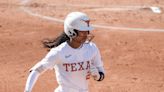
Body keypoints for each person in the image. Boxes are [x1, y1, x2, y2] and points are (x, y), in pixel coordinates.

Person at [24, 12, 105, 92]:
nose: (86, 34)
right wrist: (27, 90)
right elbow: (37, 70)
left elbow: (101, 73)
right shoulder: (59, 52)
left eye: (87, 31)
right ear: (71, 31)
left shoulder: (92, 48)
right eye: (82, 31)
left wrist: (97, 76)